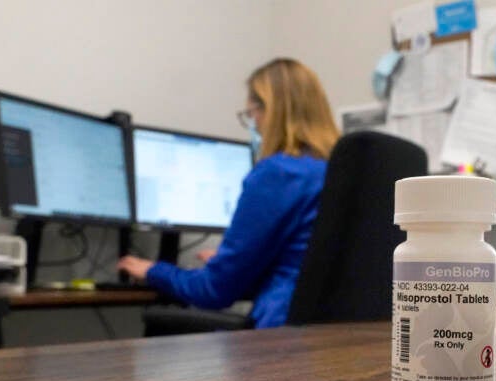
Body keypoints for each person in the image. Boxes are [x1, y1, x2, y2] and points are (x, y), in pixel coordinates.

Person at [117, 58, 340, 328]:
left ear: (272, 110)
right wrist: (232, 263)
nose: (255, 125)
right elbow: (304, 266)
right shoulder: (337, 171)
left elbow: (214, 291)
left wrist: (154, 271)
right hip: (335, 339)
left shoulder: (279, 172)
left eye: (252, 114)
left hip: (281, 339)